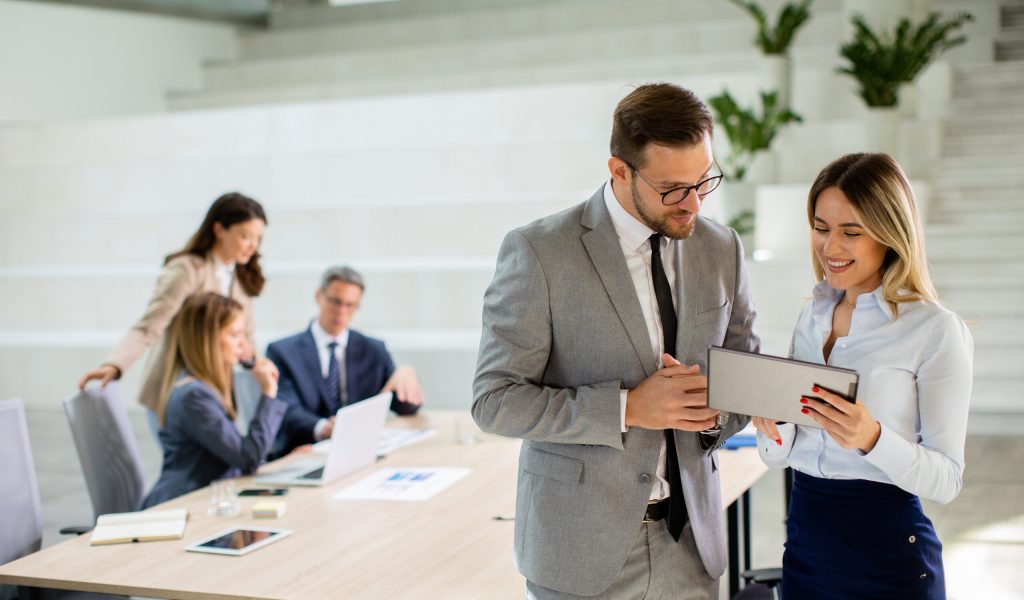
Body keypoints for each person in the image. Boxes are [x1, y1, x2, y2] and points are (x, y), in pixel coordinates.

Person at [472, 83, 759, 600]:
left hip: (692, 550)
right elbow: (494, 402)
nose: (693, 203)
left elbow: (744, 370)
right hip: (580, 554)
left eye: (704, 181)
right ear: (619, 171)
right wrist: (627, 408)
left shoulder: (721, 247)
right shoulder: (540, 252)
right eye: (673, 188)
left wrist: (716, 413)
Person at [751, 152, 973, 599]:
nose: (831, 247)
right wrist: (773, 431)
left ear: (890, 234)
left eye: (851, 232)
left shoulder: (934, 329)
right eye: (821, 228)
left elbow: (947, 479)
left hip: (890, 560)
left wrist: (871, 437)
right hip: (807, 547)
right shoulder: (810, 319)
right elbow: (783, 456)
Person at [77, 192, 268, 444]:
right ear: (219, 229)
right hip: (175, 391)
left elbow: (246, 340)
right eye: (245, 236)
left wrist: (255, 361)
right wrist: (114, 365)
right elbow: (148, 327)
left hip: (218, 394)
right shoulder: (187, 270)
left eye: (258, 238)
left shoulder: (241, 280)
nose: (252, 246)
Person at [142, 292, 286, 508]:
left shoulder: (207, 387)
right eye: (235, 335)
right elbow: (247, 458)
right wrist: (268, 392)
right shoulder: (193, 396)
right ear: (207, 339)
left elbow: (240, 454)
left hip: (206, 500)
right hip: (181, 506)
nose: (244, 345)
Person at [266, 265, 423, 456]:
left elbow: (406, 407)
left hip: (360, 452)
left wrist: (405, 374)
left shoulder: (373, 349)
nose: (341, 311)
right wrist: (324, 427)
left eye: (350, 305)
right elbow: (285, 409)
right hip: (305, 451)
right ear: (319, 296)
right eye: (335, 302)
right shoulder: (282, 351)